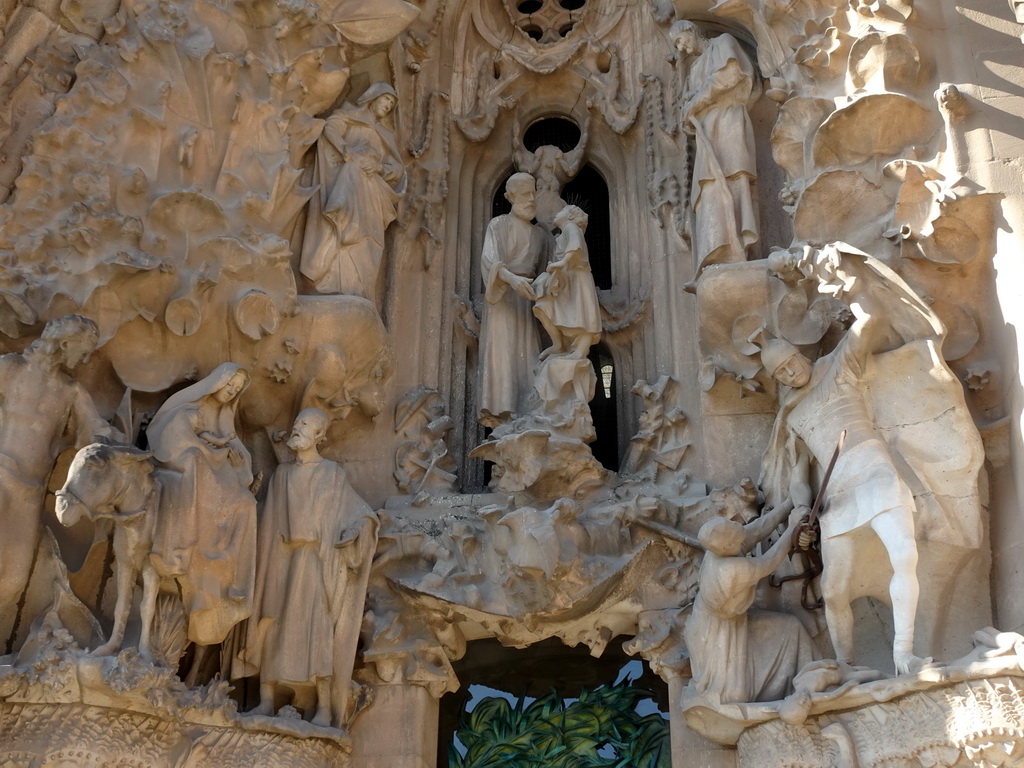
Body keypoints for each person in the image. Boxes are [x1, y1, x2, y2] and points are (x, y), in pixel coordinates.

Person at [759, 244, 985, 675]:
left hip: (875, 471)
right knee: (834, 588)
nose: (791, 372)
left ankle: (904, 654)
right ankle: (846, 666)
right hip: (837, 495)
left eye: (790, 362)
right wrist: (804, 511)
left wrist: (840, 278)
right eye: (782, 374)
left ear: (799, 354)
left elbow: (871, 322)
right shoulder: (792, 414)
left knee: (904, 555)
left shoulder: (837, 366)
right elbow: (800, 474)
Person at [240, 408, 378, 727]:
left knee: (319, 631)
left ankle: (325, 708)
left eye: (306, 425)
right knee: (273, 623)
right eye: (297, 422)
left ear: (319, 436)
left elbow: (361, 514)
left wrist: (355, 531)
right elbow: (268, 519)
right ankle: (265, 699)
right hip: (282, 561)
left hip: (317, 562)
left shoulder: (332, 473)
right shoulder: (282, 475)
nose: (298, 428)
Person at [0, 314, 116, 615]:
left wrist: (107, 437)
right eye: (85, 348)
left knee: (13, 576)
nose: (88, 357)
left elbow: (94, 427)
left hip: (31, 490)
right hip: (1, 471)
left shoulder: (70, 390)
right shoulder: (10, 368)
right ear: (65, 343)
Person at [146, 362, 256, 646]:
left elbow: (236, 450)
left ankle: (226, 560)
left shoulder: (222, 416)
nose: (230, 392)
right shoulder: (186, 408)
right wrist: (211, 450)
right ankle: (194, 546)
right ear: (217, 382)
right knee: (195, 462)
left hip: (213, 480)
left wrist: (235, 457)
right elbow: (176, 444)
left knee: (246, 502)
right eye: (228, 385)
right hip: (186, 471)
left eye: (235, 391)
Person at [685, 505, 817, 704]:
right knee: (734, 695)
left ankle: (814, 680)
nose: (736, 526)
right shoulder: (731, 569)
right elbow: (769, 562)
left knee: (792, 627)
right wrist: (792, 527)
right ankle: (801, 690)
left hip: (724, 619)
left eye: (730, 523)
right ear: (728, 547)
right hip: (720, 633)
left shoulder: (722, 546)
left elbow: (756, 529)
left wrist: (787, 504)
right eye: (732, 530)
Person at [669, 21, 759, 288]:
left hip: (728, 121)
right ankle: (714, 253)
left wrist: (696, 102)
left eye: (682, 39)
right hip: (706, 134)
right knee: (708, 187)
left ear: (692, 30)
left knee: (734, 178)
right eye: (678, 46)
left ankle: (738, 249)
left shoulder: (723, 42)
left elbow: (731, 76)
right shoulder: (694, 69)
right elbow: (688, 106)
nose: (683, 47)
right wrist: (687, 113)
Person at [300, 82, 405, 303]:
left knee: (369, 239)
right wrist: (347, 151)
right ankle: (330, 285)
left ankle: (359, 291)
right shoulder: (348, 115)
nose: (387, 105)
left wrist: (379, 168)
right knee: (341, 227)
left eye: (391, 104)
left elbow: (397, 169)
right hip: (346, 182)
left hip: (372, 192)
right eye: (385, 99)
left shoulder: (385, 134)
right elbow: (330, 128)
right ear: (373, 97)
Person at [477, 172, 548, 427]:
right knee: (504, 354)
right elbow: (490, 260)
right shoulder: (498, 225)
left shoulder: (540, 235)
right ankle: (505, 412)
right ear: (510, 197)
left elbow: (545, 270)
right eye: (524, 194)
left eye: (533, 193)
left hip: (529, 302)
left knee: (529, 355)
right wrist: (512, 280)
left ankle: (529, 411)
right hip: (504, 298)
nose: (531, 199)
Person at [532, 205, 602, 360]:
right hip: (566, 280)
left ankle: (581, 351)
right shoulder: (564, 233)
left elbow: (575, 247)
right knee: (543, 305)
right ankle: (558, 344)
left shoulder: (571, 228)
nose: (556, 213)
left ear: (570, 216)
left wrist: (562, 262)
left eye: (561, 211)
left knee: (582, 313)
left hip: (577, 279)